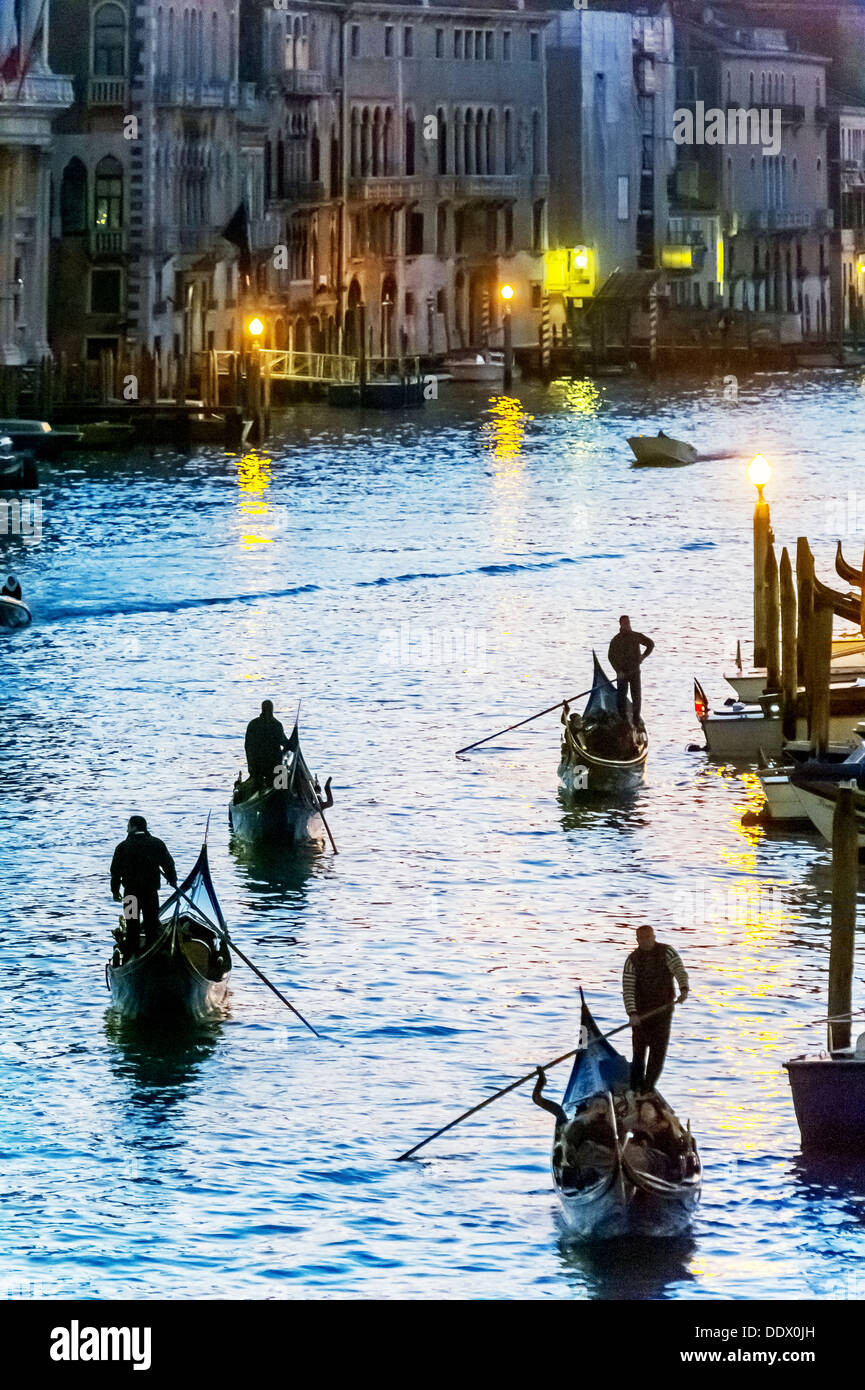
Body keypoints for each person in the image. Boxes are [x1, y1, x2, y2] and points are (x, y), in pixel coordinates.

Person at [622, 925, 689, 1094]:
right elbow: (628, 989)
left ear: (654, 936)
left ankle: (647, 1090)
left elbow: (679, 971)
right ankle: (635, 1089)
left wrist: (683, 989)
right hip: (641, 1015)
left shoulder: (667, 952)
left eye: (649, 937)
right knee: (638, 1055)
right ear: (637, 940)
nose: (646, 941)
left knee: (657, 1056)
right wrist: (632, 1013)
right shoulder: (632, 960)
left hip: (662, 1013)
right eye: (642, 939)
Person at [110, 816, 177, 958]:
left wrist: (115, 891)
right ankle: (152, 955)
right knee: (151, 925)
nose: (126, 829)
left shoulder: (122, 847)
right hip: (150, 893)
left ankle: (131, 956)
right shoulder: (157, 844)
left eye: (128, 826)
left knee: (131, 925)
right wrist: (172, 880)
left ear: (134, 827)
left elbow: (115, 872)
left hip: (130, 894)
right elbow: (169, 864)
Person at [607, 615, 654, 726]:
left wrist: (643, 656)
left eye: (628, 623)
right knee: (621, 697)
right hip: (622, 674)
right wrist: (618, 671)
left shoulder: (636, 636)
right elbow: (610, 657)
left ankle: (636, 719)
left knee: (636, 696)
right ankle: (623, 720)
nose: (627, 625)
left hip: (634, 672)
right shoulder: (616, 640)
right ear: (621, 624)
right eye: (625, 623)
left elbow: (650, 644)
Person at [244, 700, 292, 788]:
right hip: (274, 764)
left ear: (262, 709)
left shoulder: (253, 724)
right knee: (282, 784)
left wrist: (251, 766)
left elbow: (248, 747)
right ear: (272, 709)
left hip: (257, 765)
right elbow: (285, 743)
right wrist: (292, 743)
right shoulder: (276, 725)